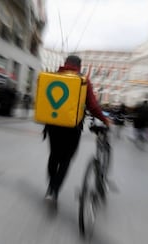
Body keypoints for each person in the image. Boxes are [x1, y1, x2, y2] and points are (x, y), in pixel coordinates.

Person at [43, 55, 109, 203]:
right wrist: (105, 120)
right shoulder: (83, 81)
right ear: (79, 66)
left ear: (65, 64)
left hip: (53, 125)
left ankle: (50, 187)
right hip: (72, 128)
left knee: (54, 156)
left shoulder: (54, 76)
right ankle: (55, 189)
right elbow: (92, 106)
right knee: (66, 159)